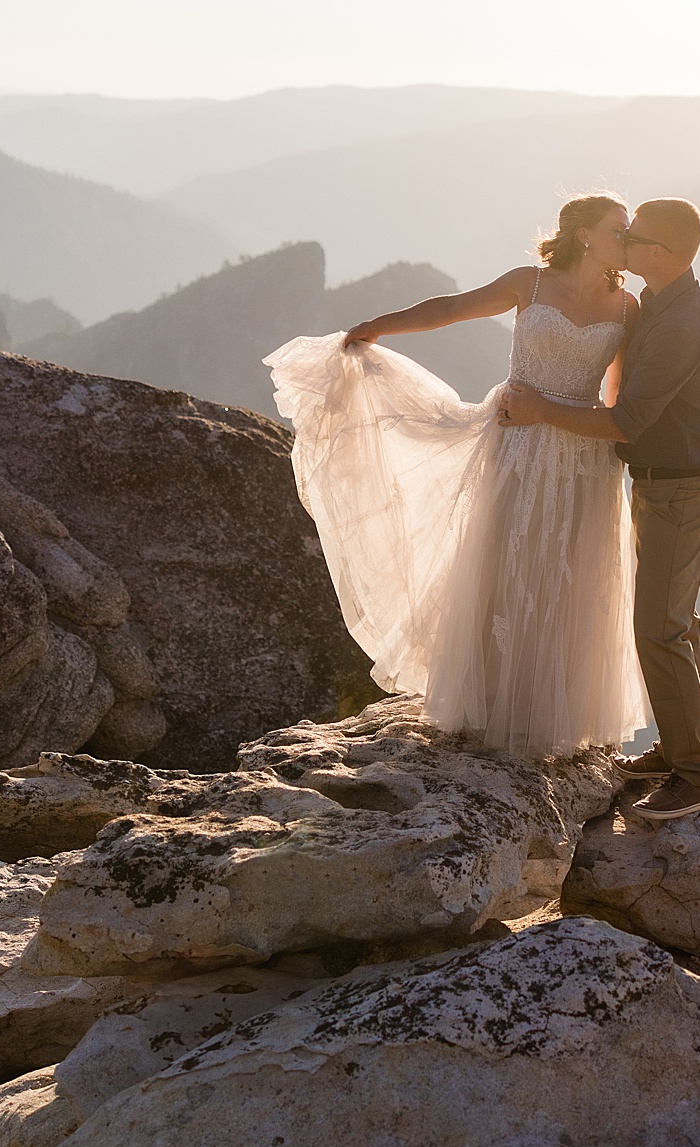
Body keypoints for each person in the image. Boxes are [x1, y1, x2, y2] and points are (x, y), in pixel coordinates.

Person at [263, 193, 651, 758]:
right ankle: (490, 702)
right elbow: (452, 308)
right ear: (586, 234)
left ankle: (549, 715)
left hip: (584, 460)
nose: (629, 235)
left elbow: (617, 397)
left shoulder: (627, 306)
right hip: (515, 441)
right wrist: (376, 327)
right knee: (501, 561)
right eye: (620, 226)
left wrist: (608, 450)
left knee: (571, 575)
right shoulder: (531, 283)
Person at [502, 197, 700, 821]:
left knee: (659, 628)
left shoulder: (680, 321)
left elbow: (626, 419)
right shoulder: (659, 299)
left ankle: (692, 777)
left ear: (658, 252)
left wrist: (542, 413)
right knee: (676, 619)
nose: (623, 244)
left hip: (682, 487)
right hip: (664, 484)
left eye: (634, 237)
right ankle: (677, 747)